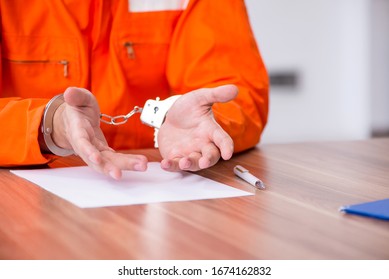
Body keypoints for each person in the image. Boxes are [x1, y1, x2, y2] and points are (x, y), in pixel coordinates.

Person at [0, 0, 269, 179]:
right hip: (31, 193)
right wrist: (48, 125)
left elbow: (235, 91)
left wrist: (206, 126)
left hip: (161, 186)